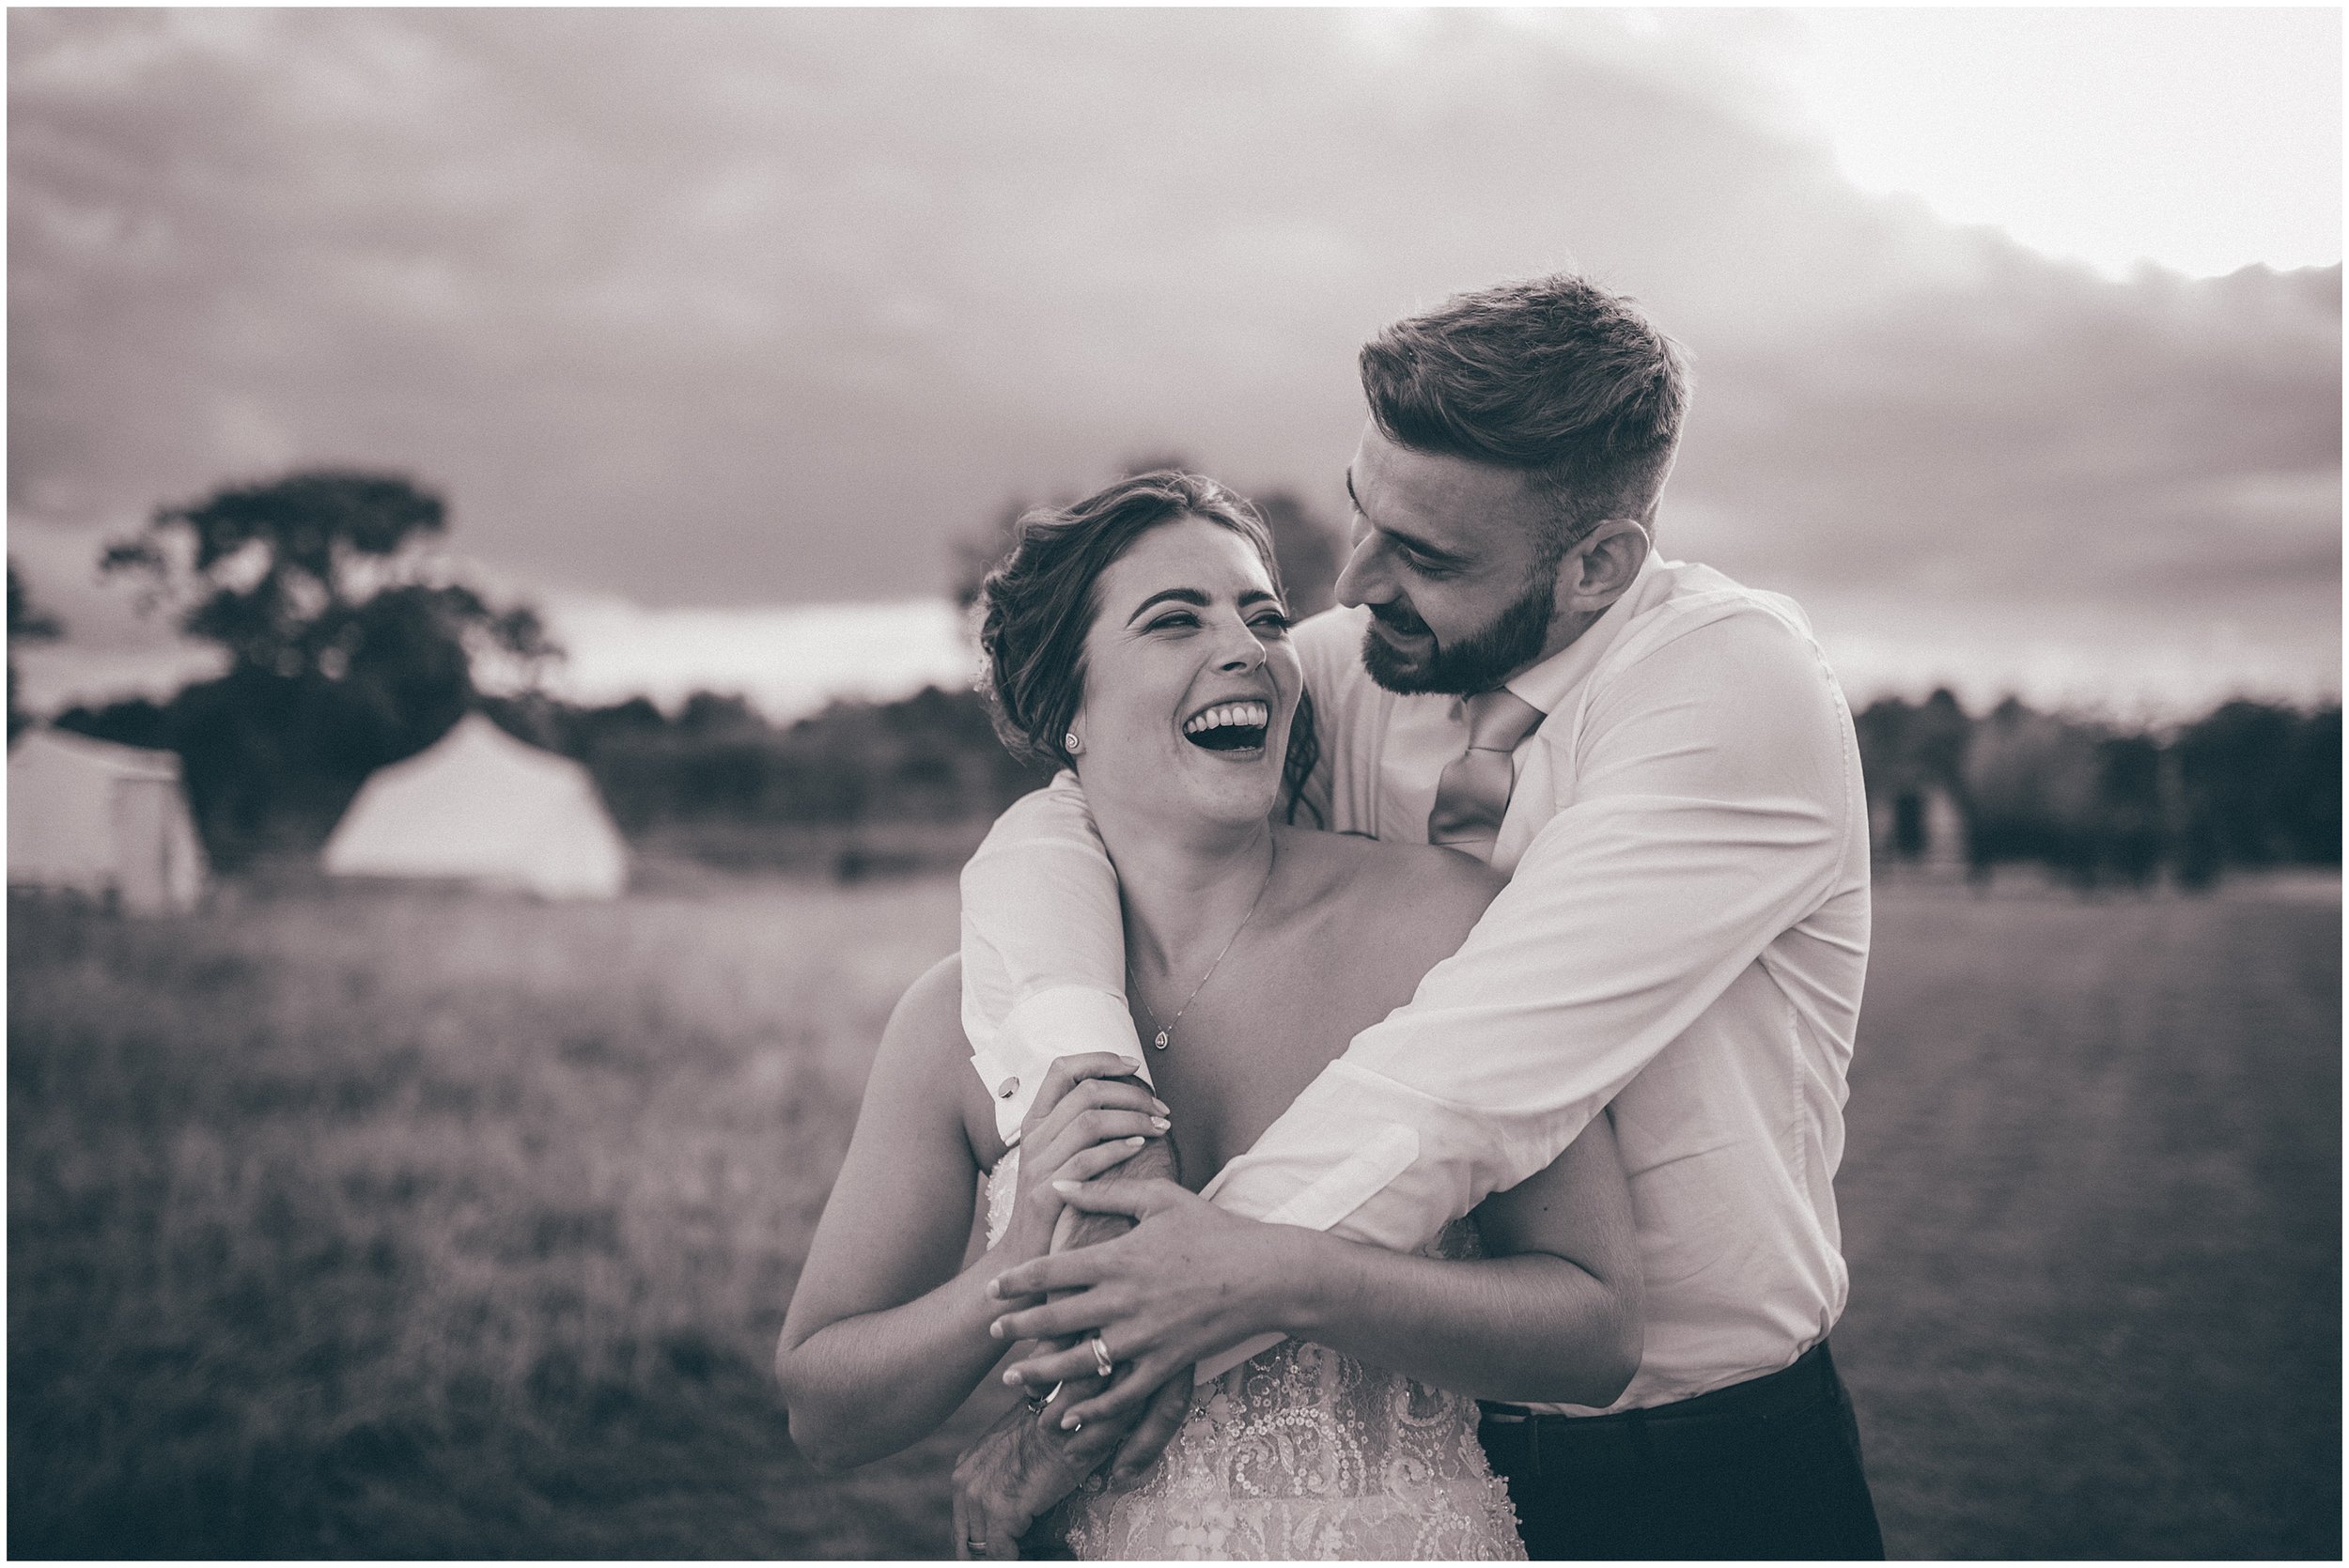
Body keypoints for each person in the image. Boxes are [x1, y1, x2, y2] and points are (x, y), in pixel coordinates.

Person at [959, 274, 1886, 1559]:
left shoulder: (1734, 690)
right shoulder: (1361, 662)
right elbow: (1063, 821)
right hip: (1430, 1462)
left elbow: (1462, 1080)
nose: (1355, 580)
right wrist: (1090, 1071)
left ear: (1599, 563)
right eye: (1363, 516)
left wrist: (1140, 1323)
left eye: (1428, 555)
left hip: (1703, 1463)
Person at [774, 473, 1645, 1559]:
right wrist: (1025, 1261)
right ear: (1069, 711)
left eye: (1263, 615)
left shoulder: (1440, 922)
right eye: (1174, 619)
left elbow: (1597, 1330)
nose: (1248, 647)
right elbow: (824, 1406)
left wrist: (1274, 1281)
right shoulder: (949, 1019)